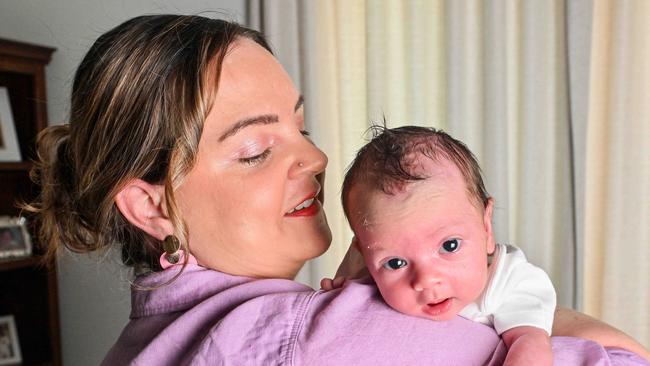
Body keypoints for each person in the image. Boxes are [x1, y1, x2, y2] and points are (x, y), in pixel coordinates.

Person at [25, 14, 649, 365]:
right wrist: (566, 326)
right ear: (151, 205)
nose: (318, 157)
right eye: (256, 150)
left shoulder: (136, 346)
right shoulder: (305, 336)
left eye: (301, 124)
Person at [323, 126, 557, 365]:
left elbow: (532, 346)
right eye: (396, 263)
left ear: (486, 228)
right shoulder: (376, 279)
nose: (426, 280)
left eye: (450, 245)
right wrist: (345, 286)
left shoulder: (513, 282)